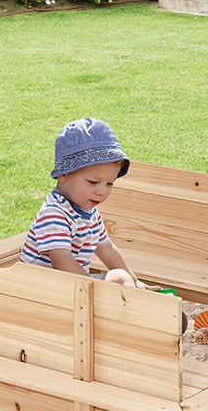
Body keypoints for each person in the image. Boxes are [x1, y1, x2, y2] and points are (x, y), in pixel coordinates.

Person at [21, 118, 158, 289]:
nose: (102, 191)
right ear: (63, 174)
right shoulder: (54, 213)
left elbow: (107, 249)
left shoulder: (89, 211)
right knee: (119, 279)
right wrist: (91, 291)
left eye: (109, 183)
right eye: (93, 182)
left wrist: (135, 281)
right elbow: (61, 260)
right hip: (40, 289)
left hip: (70, 285)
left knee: (122, 279)